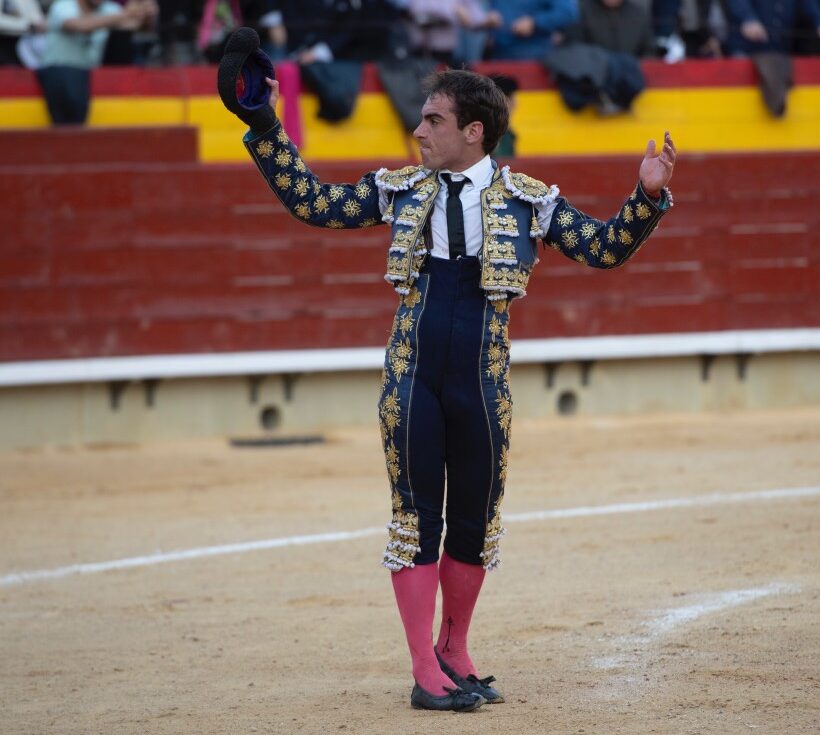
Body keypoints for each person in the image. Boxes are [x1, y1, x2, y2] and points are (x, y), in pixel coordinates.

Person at [217, 27, 675, 713]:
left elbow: (603, 248)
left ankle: (453, 650)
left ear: (474, 130)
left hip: (483, 383)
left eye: (432, 119)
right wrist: (262, 123)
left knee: (473, 520)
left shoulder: (528, 200)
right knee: (414, 518)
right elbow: (311, 201)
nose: (417, 130)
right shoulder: (399, 189)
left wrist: (644, 198)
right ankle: (421, 668)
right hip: (412, 377)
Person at [37, 0, 156, 124]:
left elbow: (135, 26)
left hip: (88, 74)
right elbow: (79, 25)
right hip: (59, 70)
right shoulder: (63, 5)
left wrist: (146, 14)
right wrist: (125, 14)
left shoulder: (109, 9)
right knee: (71, 125)